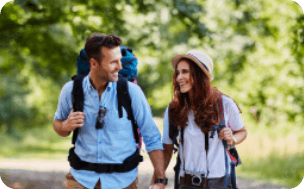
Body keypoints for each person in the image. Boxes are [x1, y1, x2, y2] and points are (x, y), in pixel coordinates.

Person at [53, 33, 166, 189]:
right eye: (113, 62)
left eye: (120, 60)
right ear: (93, 64)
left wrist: (160, 179)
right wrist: (65, 126)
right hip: (81, 179)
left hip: (123, 182)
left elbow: (151, 136)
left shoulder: (132, 92)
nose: (119, 67)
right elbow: (58, 124)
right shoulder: (71, 90)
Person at [151, 50, 247, 189]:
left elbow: (242, 131)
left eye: (185, 72)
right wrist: (158, 181)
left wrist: (233, 139)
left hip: (219, 182)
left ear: (199, 75)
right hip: (186, 182)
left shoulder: (224, 104)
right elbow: (167, 149)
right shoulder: (174, 109)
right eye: (178, 72)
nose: (179, 77)